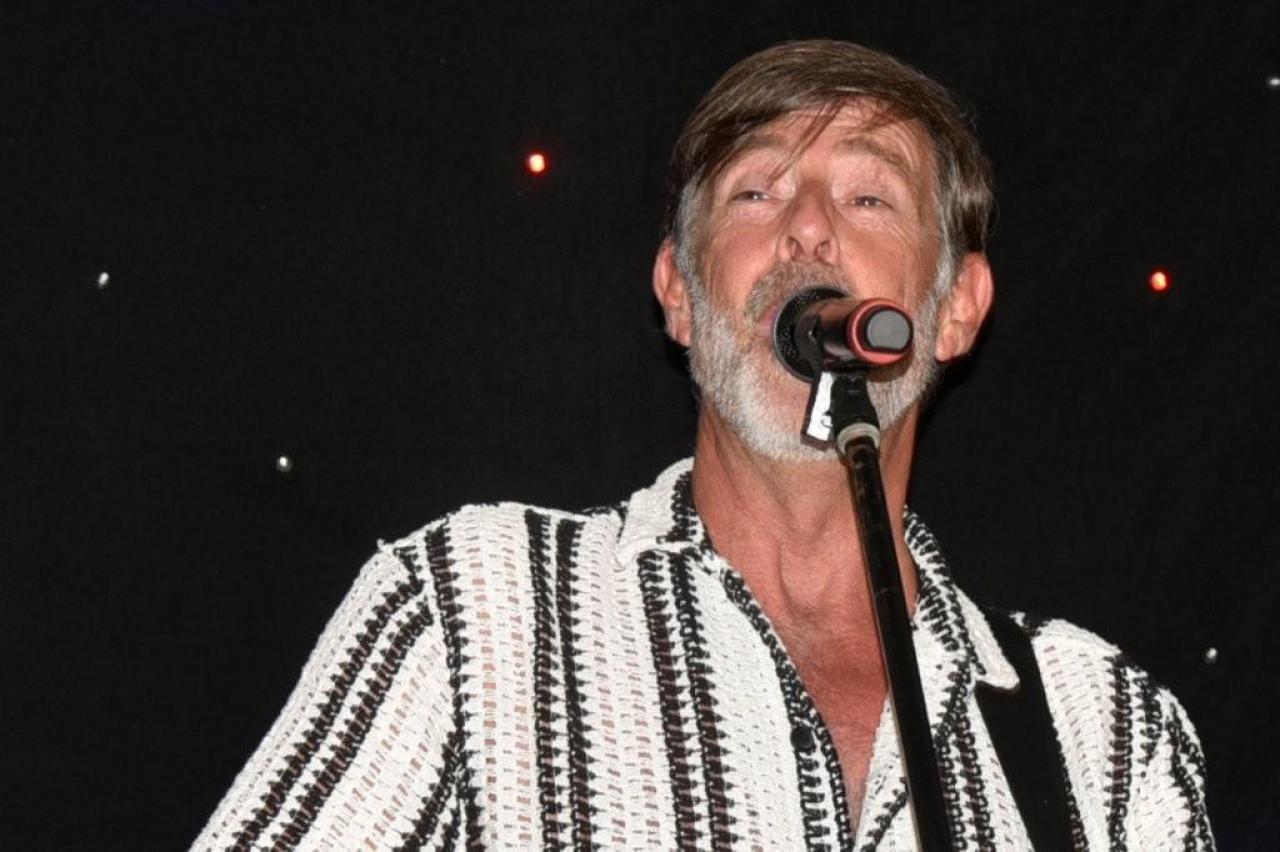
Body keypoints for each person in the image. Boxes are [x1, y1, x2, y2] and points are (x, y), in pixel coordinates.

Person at [194, 40, 1213, 850]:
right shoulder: (471, 609)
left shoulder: (1103, 731)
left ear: (955, 309)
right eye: (755, 193)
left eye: (867, 197)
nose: (807, 229)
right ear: (679, 293)